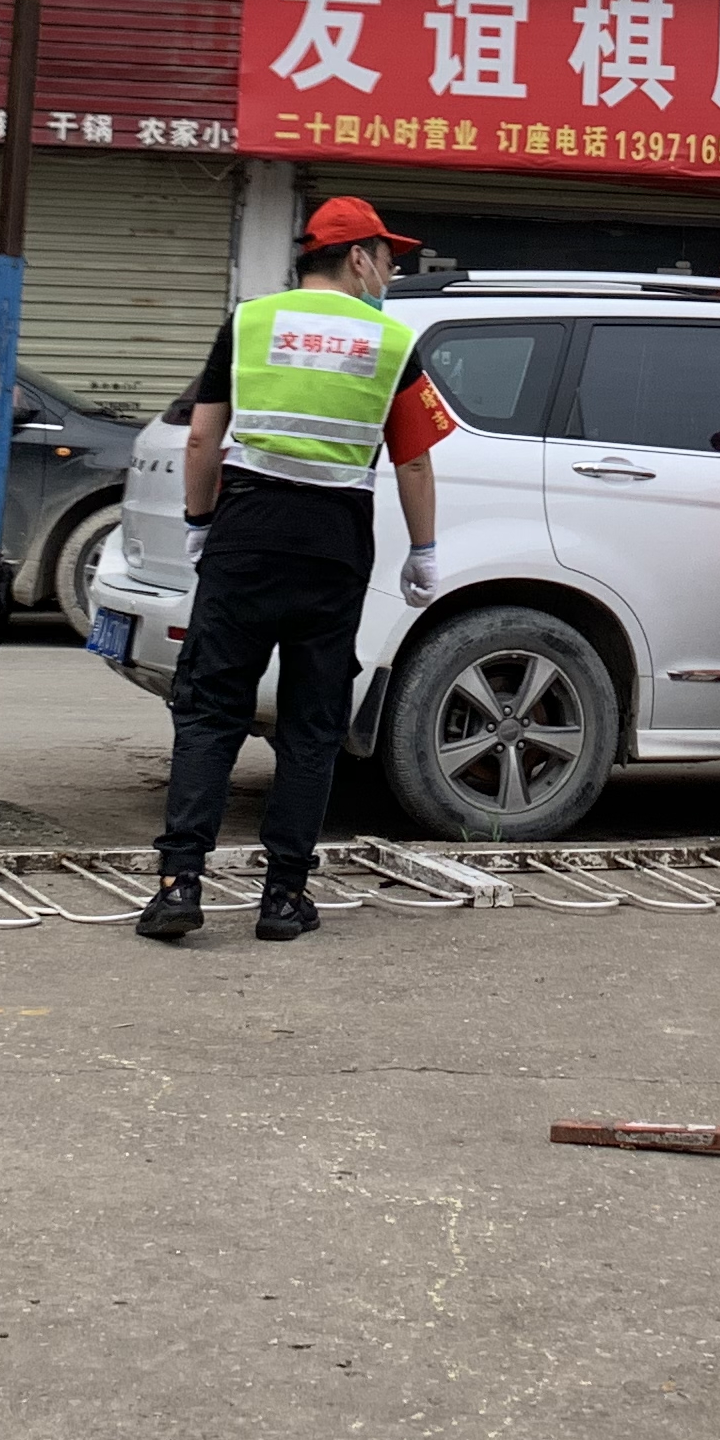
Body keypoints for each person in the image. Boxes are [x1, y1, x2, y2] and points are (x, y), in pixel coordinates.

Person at [141, 196, 457, 946]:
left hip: (246, 531)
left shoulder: (249, 322)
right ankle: (283, 897)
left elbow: (203, 440)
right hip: (334, 542)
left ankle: (179, 884)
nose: (393, 269)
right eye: (389, 256)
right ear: (357, 258)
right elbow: (413, 461)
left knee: (211, 709)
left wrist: (196, 525)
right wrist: (424, 551)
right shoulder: (391, 340)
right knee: (312, 725)